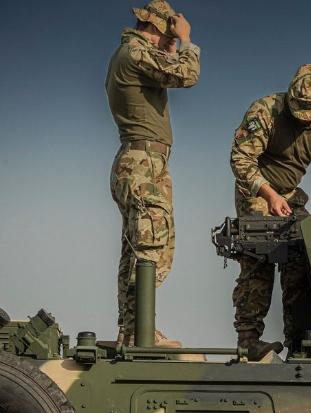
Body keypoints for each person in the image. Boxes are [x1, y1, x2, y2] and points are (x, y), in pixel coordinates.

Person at [230, 64, 311, 360]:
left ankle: (299, 344)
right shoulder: (265, 111)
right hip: (258, 189)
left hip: (291, 195)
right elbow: (241, 159)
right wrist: (269, 195)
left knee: (302, 256)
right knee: (259, 251)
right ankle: (249, 340)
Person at [106, 0, 200, 345]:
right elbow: (186, 75)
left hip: (148, 162)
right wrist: (187, 41)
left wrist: (170, 47)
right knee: (148, 243)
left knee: (143, 245)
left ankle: (134, 329)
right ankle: (138, 332)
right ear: (161, 28)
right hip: (141, 162)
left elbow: (169, 69)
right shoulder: (134, 53)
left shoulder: (138, 54)